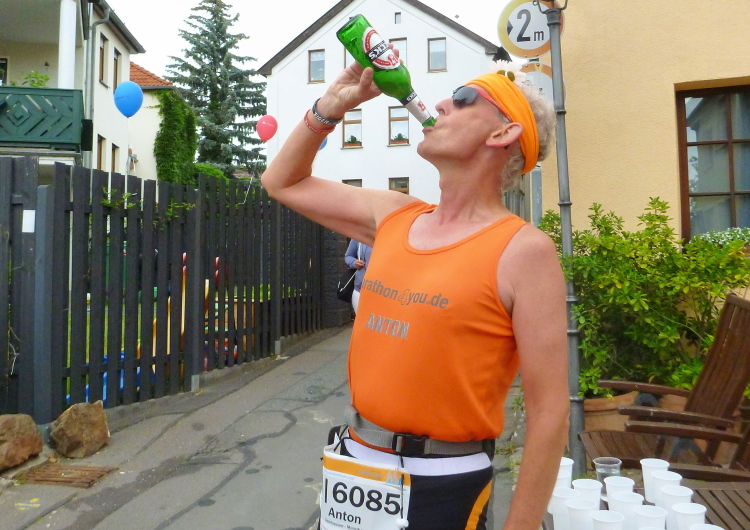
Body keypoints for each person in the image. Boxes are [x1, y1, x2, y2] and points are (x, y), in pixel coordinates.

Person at [261, 48, 569, 530]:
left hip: (443, 481)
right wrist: (330, 108)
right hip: (355, 467)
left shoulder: (524, 251)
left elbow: (549, 411)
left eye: (464, 99)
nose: (442, 103)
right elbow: (281, 181)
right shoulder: (394, 215)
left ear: (503, 133)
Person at [344, 238, 372, 314]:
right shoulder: (360, 236)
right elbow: (348, 256)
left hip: (385, 292)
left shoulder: (390, 236)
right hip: (360, 289)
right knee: (362, 320)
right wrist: (354, 262)